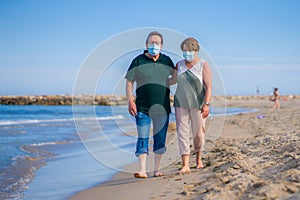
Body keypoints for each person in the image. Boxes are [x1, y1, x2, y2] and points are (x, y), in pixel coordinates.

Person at [125, 31, 175, 178]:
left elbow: (175, 77)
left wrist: (163, 83)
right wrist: (130, 100)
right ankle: (142, 170)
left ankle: (157, 169)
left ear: (162, 45)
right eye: (151, 43)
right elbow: (129, 82)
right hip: (142, 107)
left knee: (160, 138)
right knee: (142, 137)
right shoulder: (138, 61)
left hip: (162, 107)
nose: (154, 45)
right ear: (146, 44)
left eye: (157, 43)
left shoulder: (166, 61)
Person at [171, 37, 212, 173]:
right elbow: (172, 81)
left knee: (198, 133)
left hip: (198, 104)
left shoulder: (203, 64)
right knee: (182, 133)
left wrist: (206, 104)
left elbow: (209, 86)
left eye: (189, 50)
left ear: (196, 50)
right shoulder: (179, 64)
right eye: (184, 51)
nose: (186, 53)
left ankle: (199, 160)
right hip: (180, 103)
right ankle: (185, 165)